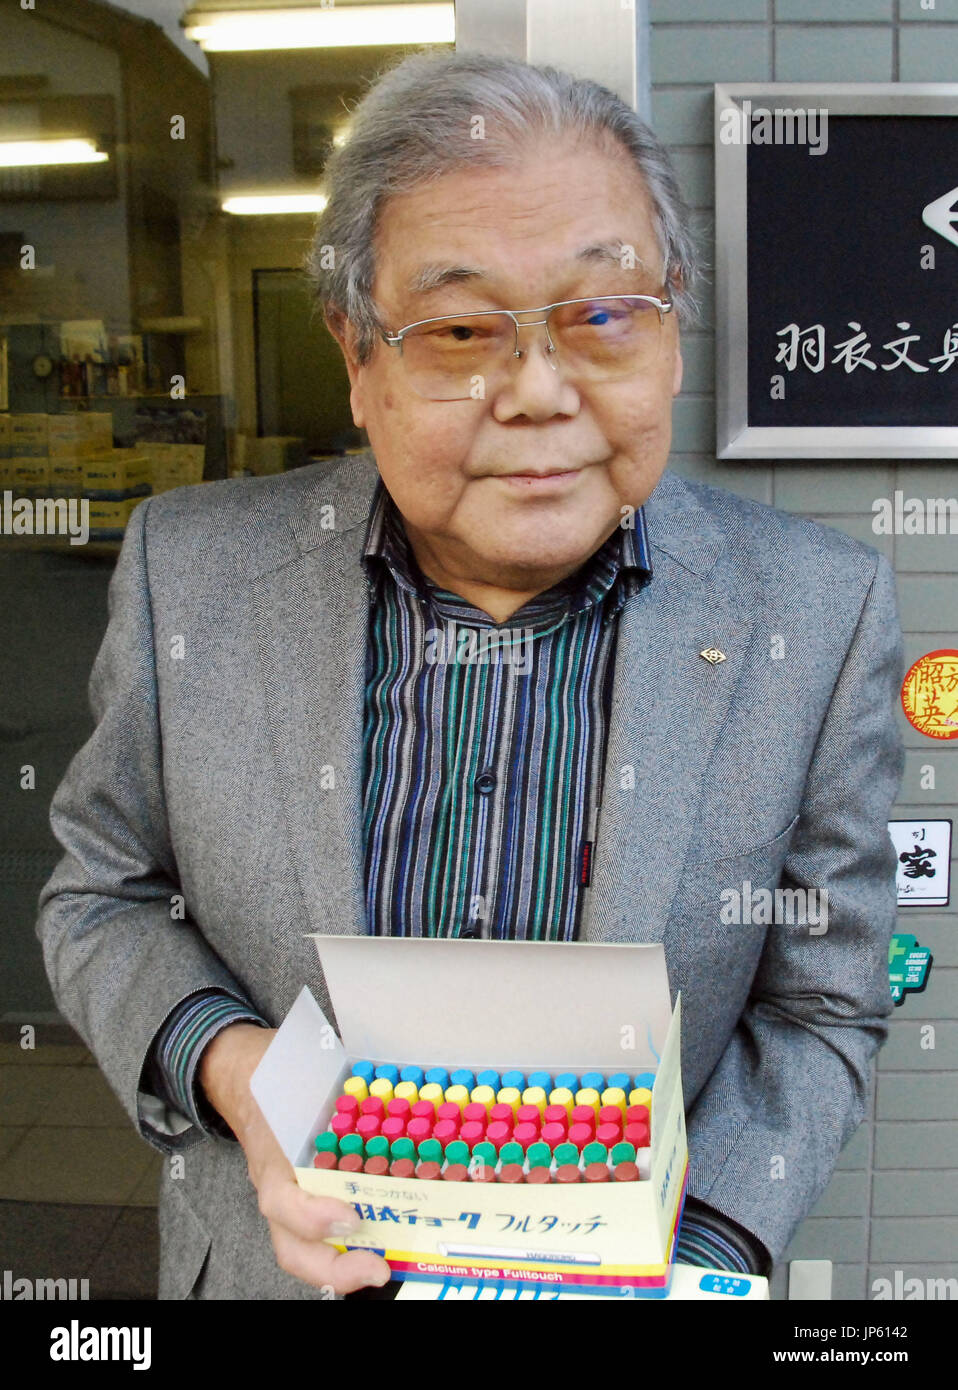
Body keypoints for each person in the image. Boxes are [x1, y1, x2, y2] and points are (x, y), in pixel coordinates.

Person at [36, 50, 904, 1300]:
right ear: (355, 353)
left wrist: (695, 1262)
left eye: (602, 315)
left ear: (671, 334)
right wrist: (238, 1068)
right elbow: (104, 893)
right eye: (457, 331)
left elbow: (820, 1004)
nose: (539, 392)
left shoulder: (812, 613)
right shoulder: (197, 575)